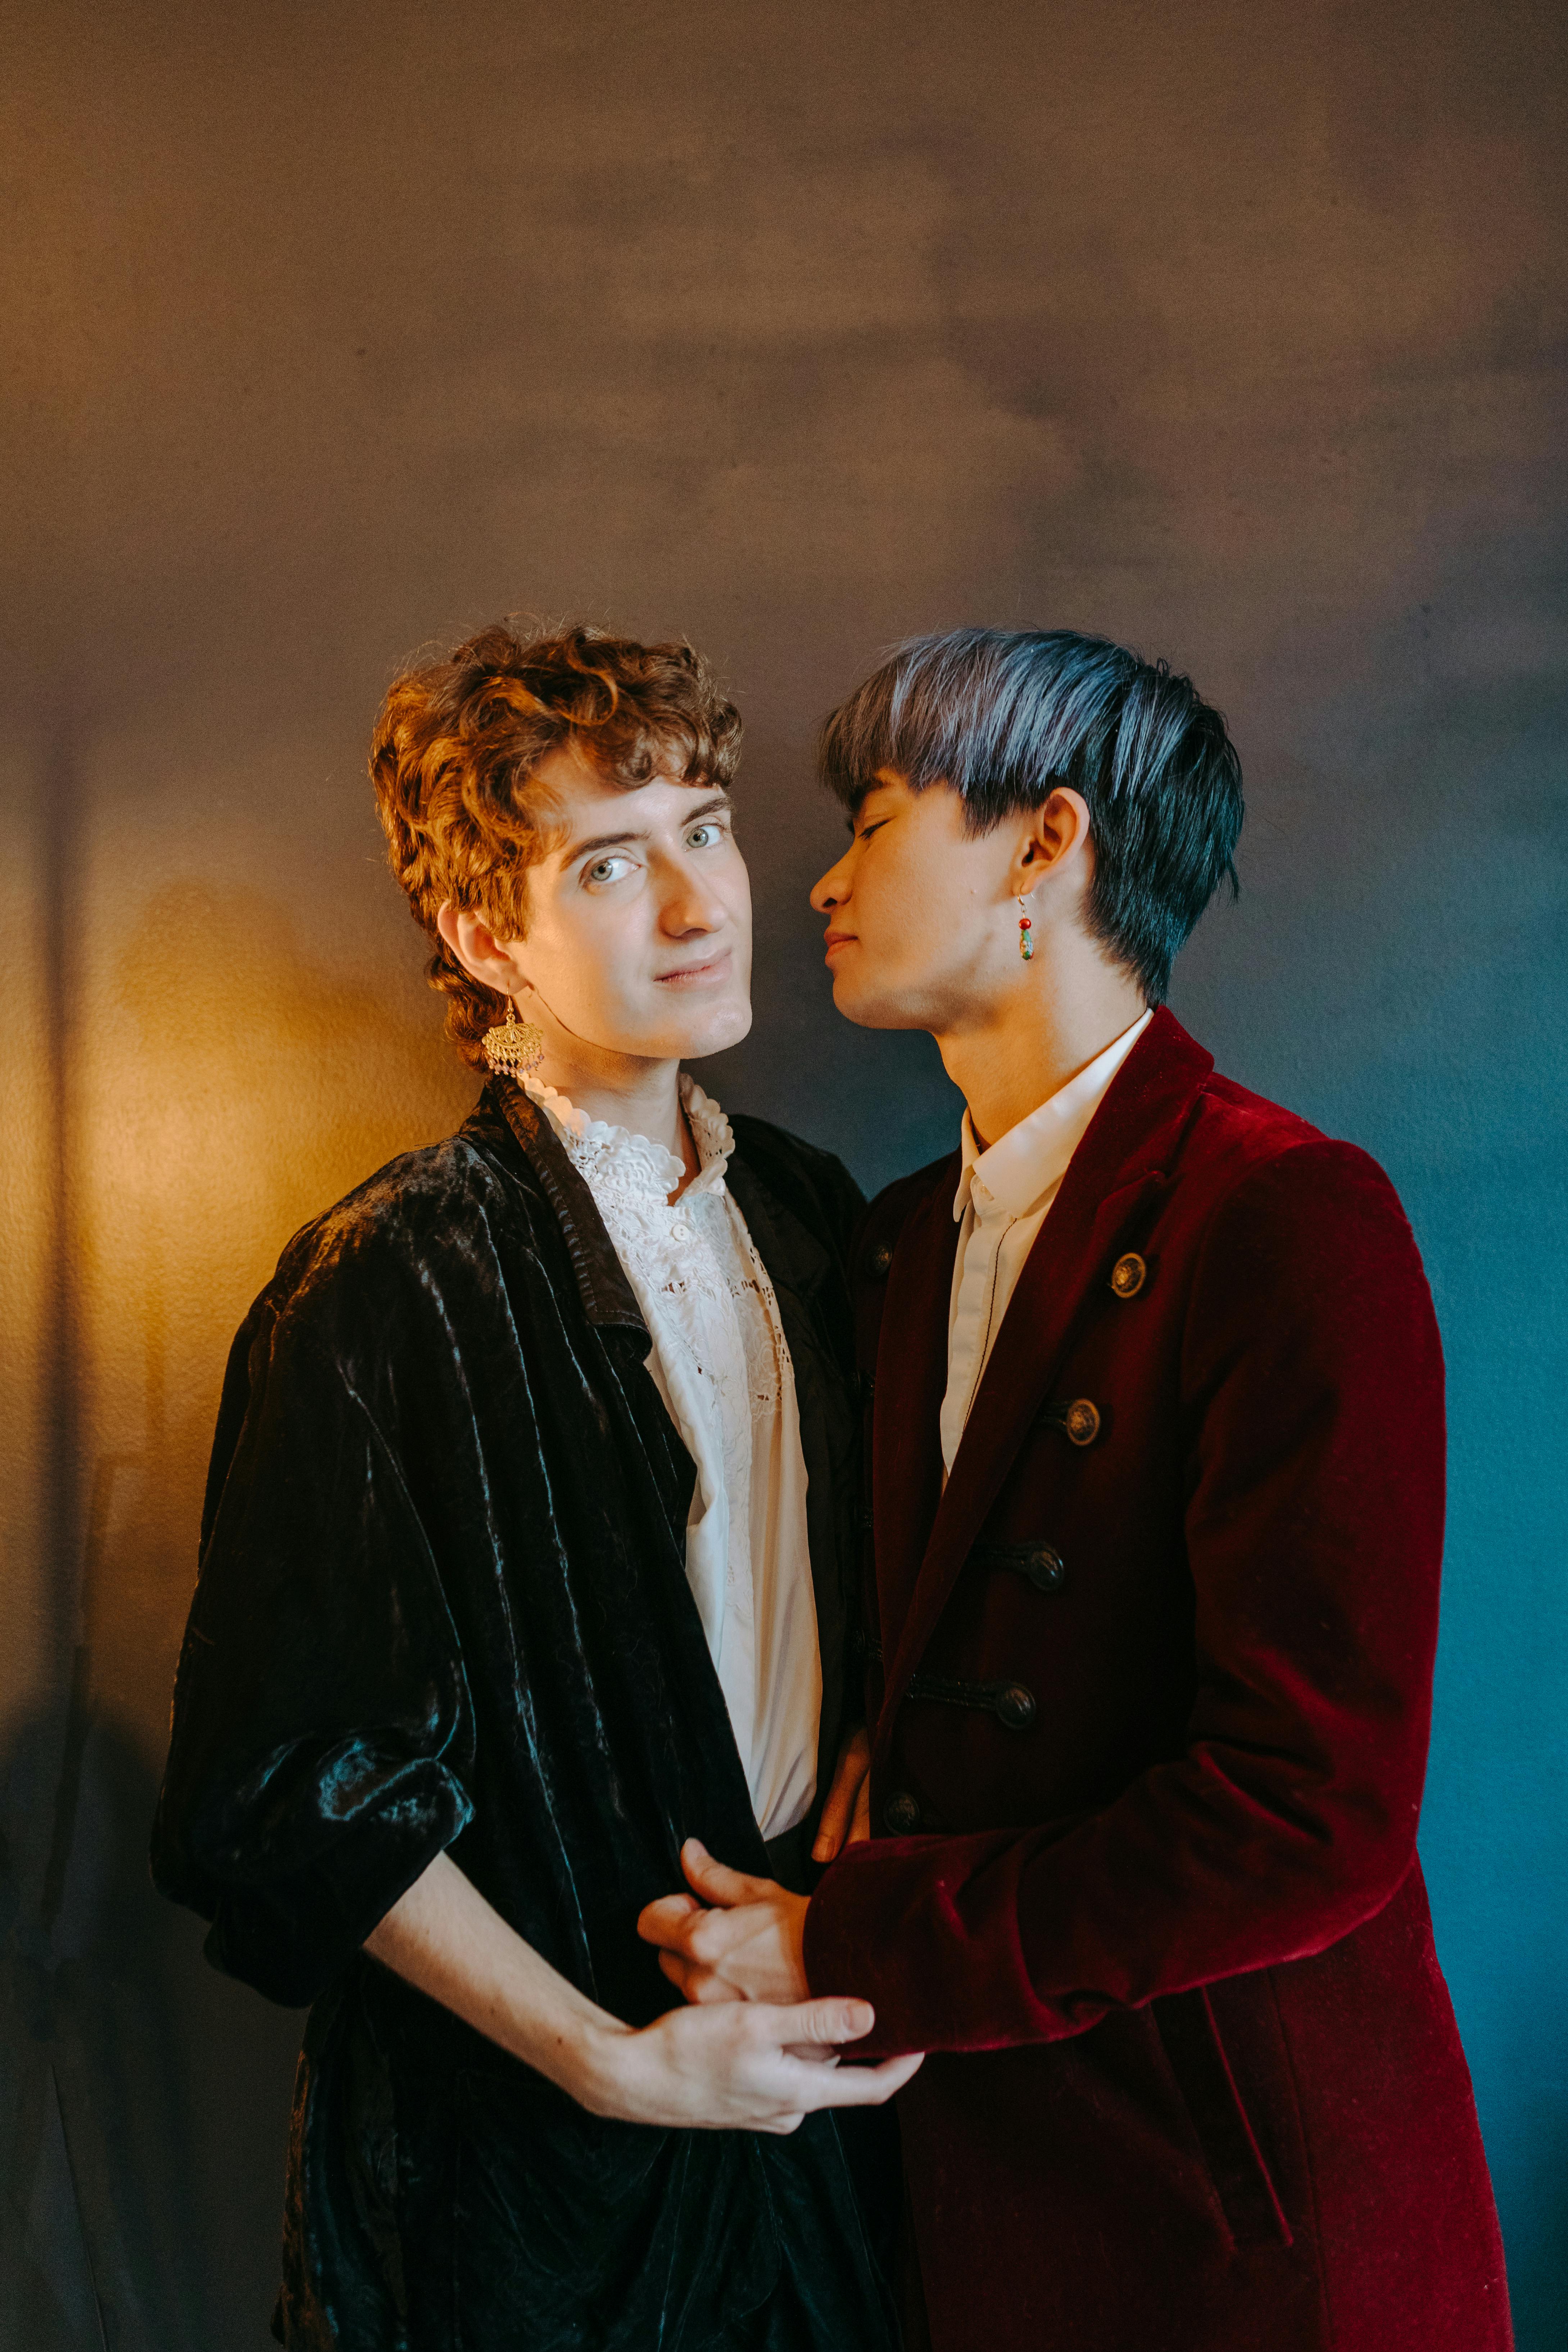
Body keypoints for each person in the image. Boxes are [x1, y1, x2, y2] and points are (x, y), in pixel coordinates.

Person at [637, 628, 1514, 2352]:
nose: (817, 878)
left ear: (1046, 843)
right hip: (984, 2205)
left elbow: (1306, 1816)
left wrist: (856, 1941)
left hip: (1236, 2216)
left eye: (875, 817)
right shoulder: (891, 1244)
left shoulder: (1281, 1218)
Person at [150, 622, 917, 2352]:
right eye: (610, 862)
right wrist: (619, 2061)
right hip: (530, 2184)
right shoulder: (386, 1273)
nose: (699, 901)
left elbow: (866, 1621)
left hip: (810, 2143)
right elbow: (280, 1794)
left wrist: (850, 1869)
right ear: (487, 933)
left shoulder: (813, 1211)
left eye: (706, 826)